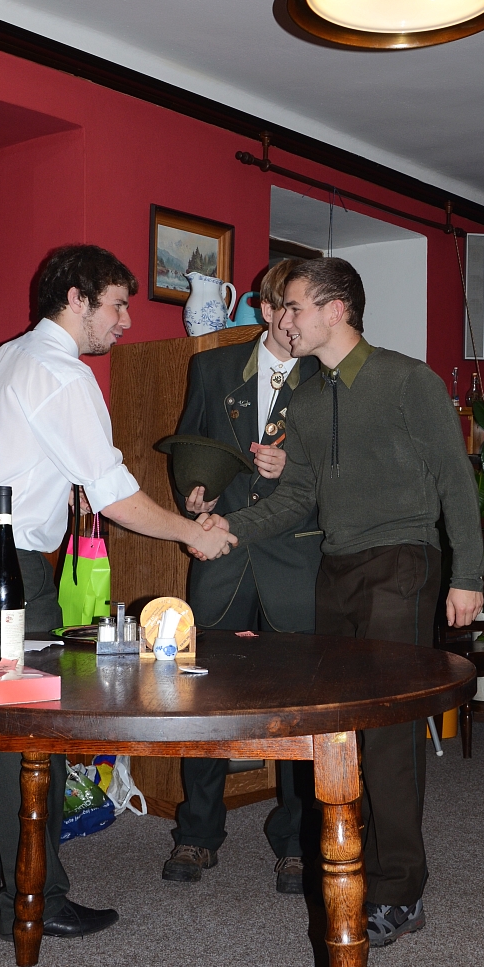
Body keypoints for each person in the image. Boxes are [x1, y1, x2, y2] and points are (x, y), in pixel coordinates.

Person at [0, 243, 235, 942]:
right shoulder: (62, 372)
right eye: (116, 305)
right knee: (31, 731)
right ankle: (35, 897)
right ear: (76, 300)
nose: (126, 321)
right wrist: (193, 533)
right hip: (1, 564)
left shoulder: (4, 359)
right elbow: (112, 491)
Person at [198, 257, 484, 947]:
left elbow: (455, 479)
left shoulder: (407, 380)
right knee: (342, 731)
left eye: (292, 306)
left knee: (387, 732)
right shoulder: (302, 398)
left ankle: (400, 891)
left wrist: (468, 576)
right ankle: (353, 867)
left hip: (401, 562)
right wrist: (228, 528)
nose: (280, 319)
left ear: (336, 310)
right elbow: (296, 498)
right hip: (335, 569)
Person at [162, 260, 321, 893]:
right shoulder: (213, 366)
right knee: (201, 694)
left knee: (297, 705)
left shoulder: (327, 373)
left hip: (297, 559)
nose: (293, 323)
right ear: (264, 308)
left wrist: (295, 465)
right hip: (220, 554)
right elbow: (191, 450)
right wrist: (193, 496)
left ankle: (297, 840)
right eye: (284, 310)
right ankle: (197, 832)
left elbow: (339, 474)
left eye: (301, 310)